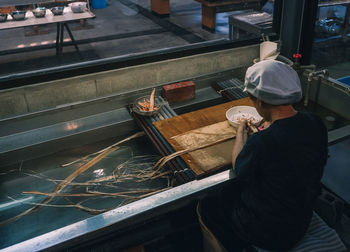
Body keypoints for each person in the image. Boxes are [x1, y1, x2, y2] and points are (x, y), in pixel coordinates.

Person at [199, 59, 328, 251]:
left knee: (209, 204)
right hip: (300, 221)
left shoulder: (263, 141)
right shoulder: (315, 122)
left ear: (259, 102)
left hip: (268, 234)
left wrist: (241, 132)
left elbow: (239, 169)